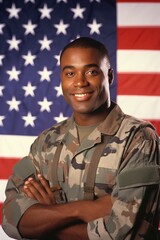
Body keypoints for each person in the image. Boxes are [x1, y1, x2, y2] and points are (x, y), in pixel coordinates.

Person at [2, 37, 160, 240]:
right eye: (70, 73)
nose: (79, 82)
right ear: (61, 79)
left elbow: (126, 233)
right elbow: (11, 218)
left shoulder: (139, 139)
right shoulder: (46, 141)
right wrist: (83, 210)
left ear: (109, 76)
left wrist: (48, 219)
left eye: (91, 72)